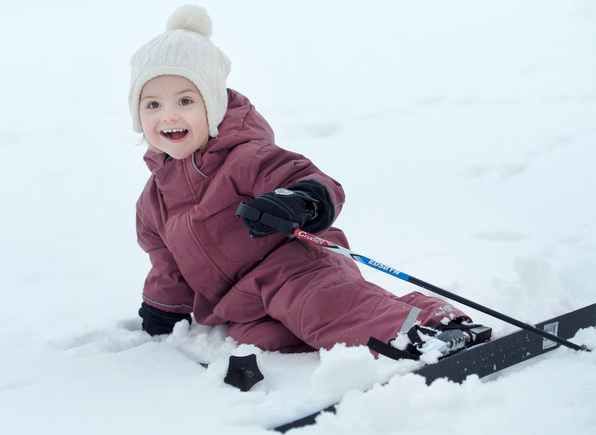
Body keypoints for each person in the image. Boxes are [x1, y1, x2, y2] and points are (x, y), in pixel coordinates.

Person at [130, 5, 489, 358]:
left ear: (213, 106)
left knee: (320, 309)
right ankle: (378, 327)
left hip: (298, 266)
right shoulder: (153, 203)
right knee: (263, 338)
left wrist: (297, 200)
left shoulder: (245, 157)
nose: (169, 115)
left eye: (186, 100)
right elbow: (168, 264)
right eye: (152, 105)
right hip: (245, 302)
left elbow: (308, 179)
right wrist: (162, 308)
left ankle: (428, 329)